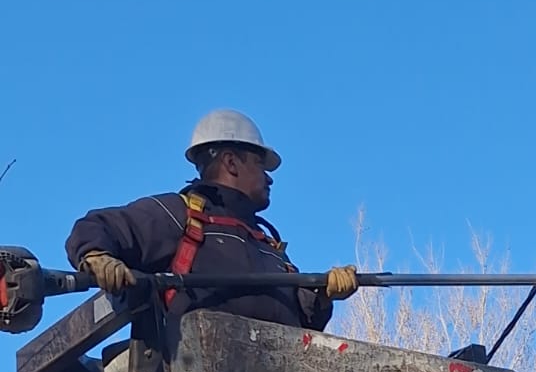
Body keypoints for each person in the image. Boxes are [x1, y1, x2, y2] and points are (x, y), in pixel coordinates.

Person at [65, 110, 357, 332]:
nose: (268, 177)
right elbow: (97, 226)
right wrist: (96, 255)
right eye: (259, 164)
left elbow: (298, 324)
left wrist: (322, 296)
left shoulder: (267, 245)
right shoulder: (179, 216)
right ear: (231, 163)